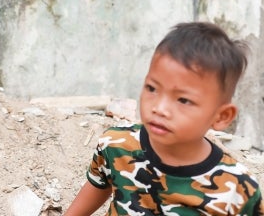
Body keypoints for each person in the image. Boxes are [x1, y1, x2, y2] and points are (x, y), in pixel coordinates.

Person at [65, 22, 264, 215]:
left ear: (221, 116)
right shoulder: (116, 145)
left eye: (183, 100)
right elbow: (98, 185)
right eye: (152, 88)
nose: (159, 108)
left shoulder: (237, 191)